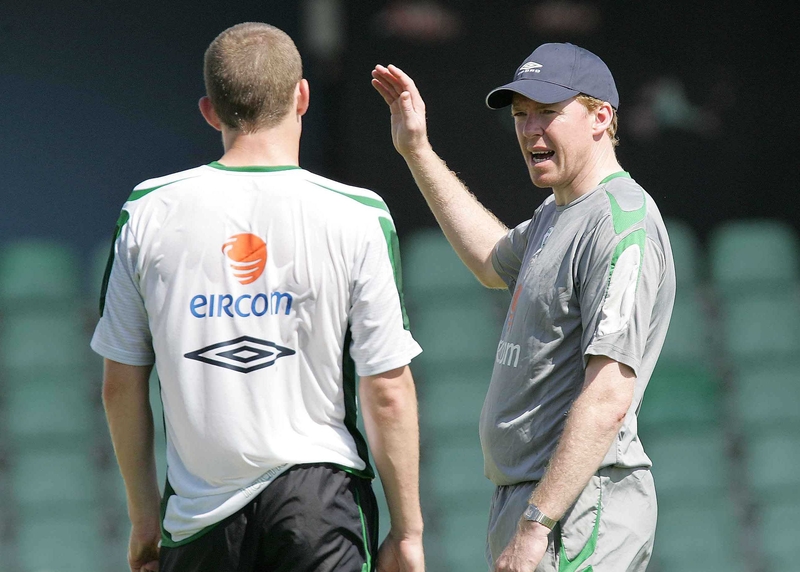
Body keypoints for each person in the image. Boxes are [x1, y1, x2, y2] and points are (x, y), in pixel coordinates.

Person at [92, 22, 425, 572]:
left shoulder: (148, 210)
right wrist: (408, 532)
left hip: (199, 517)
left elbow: (118, 384)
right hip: (321, 503)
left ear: (210, 111)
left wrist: (145, 520)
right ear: (302, 96)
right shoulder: (358, 213)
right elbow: (387, 388)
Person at [372, 42, 675, 572]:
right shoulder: (561, 211)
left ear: (601, 117)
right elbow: (491, 261)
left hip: (576, 510)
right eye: (520, 114)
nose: (530, 129)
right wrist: (416, 151)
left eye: (548, 113)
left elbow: (608, 397)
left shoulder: (621, 223)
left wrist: (536, 526)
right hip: (542, 504)